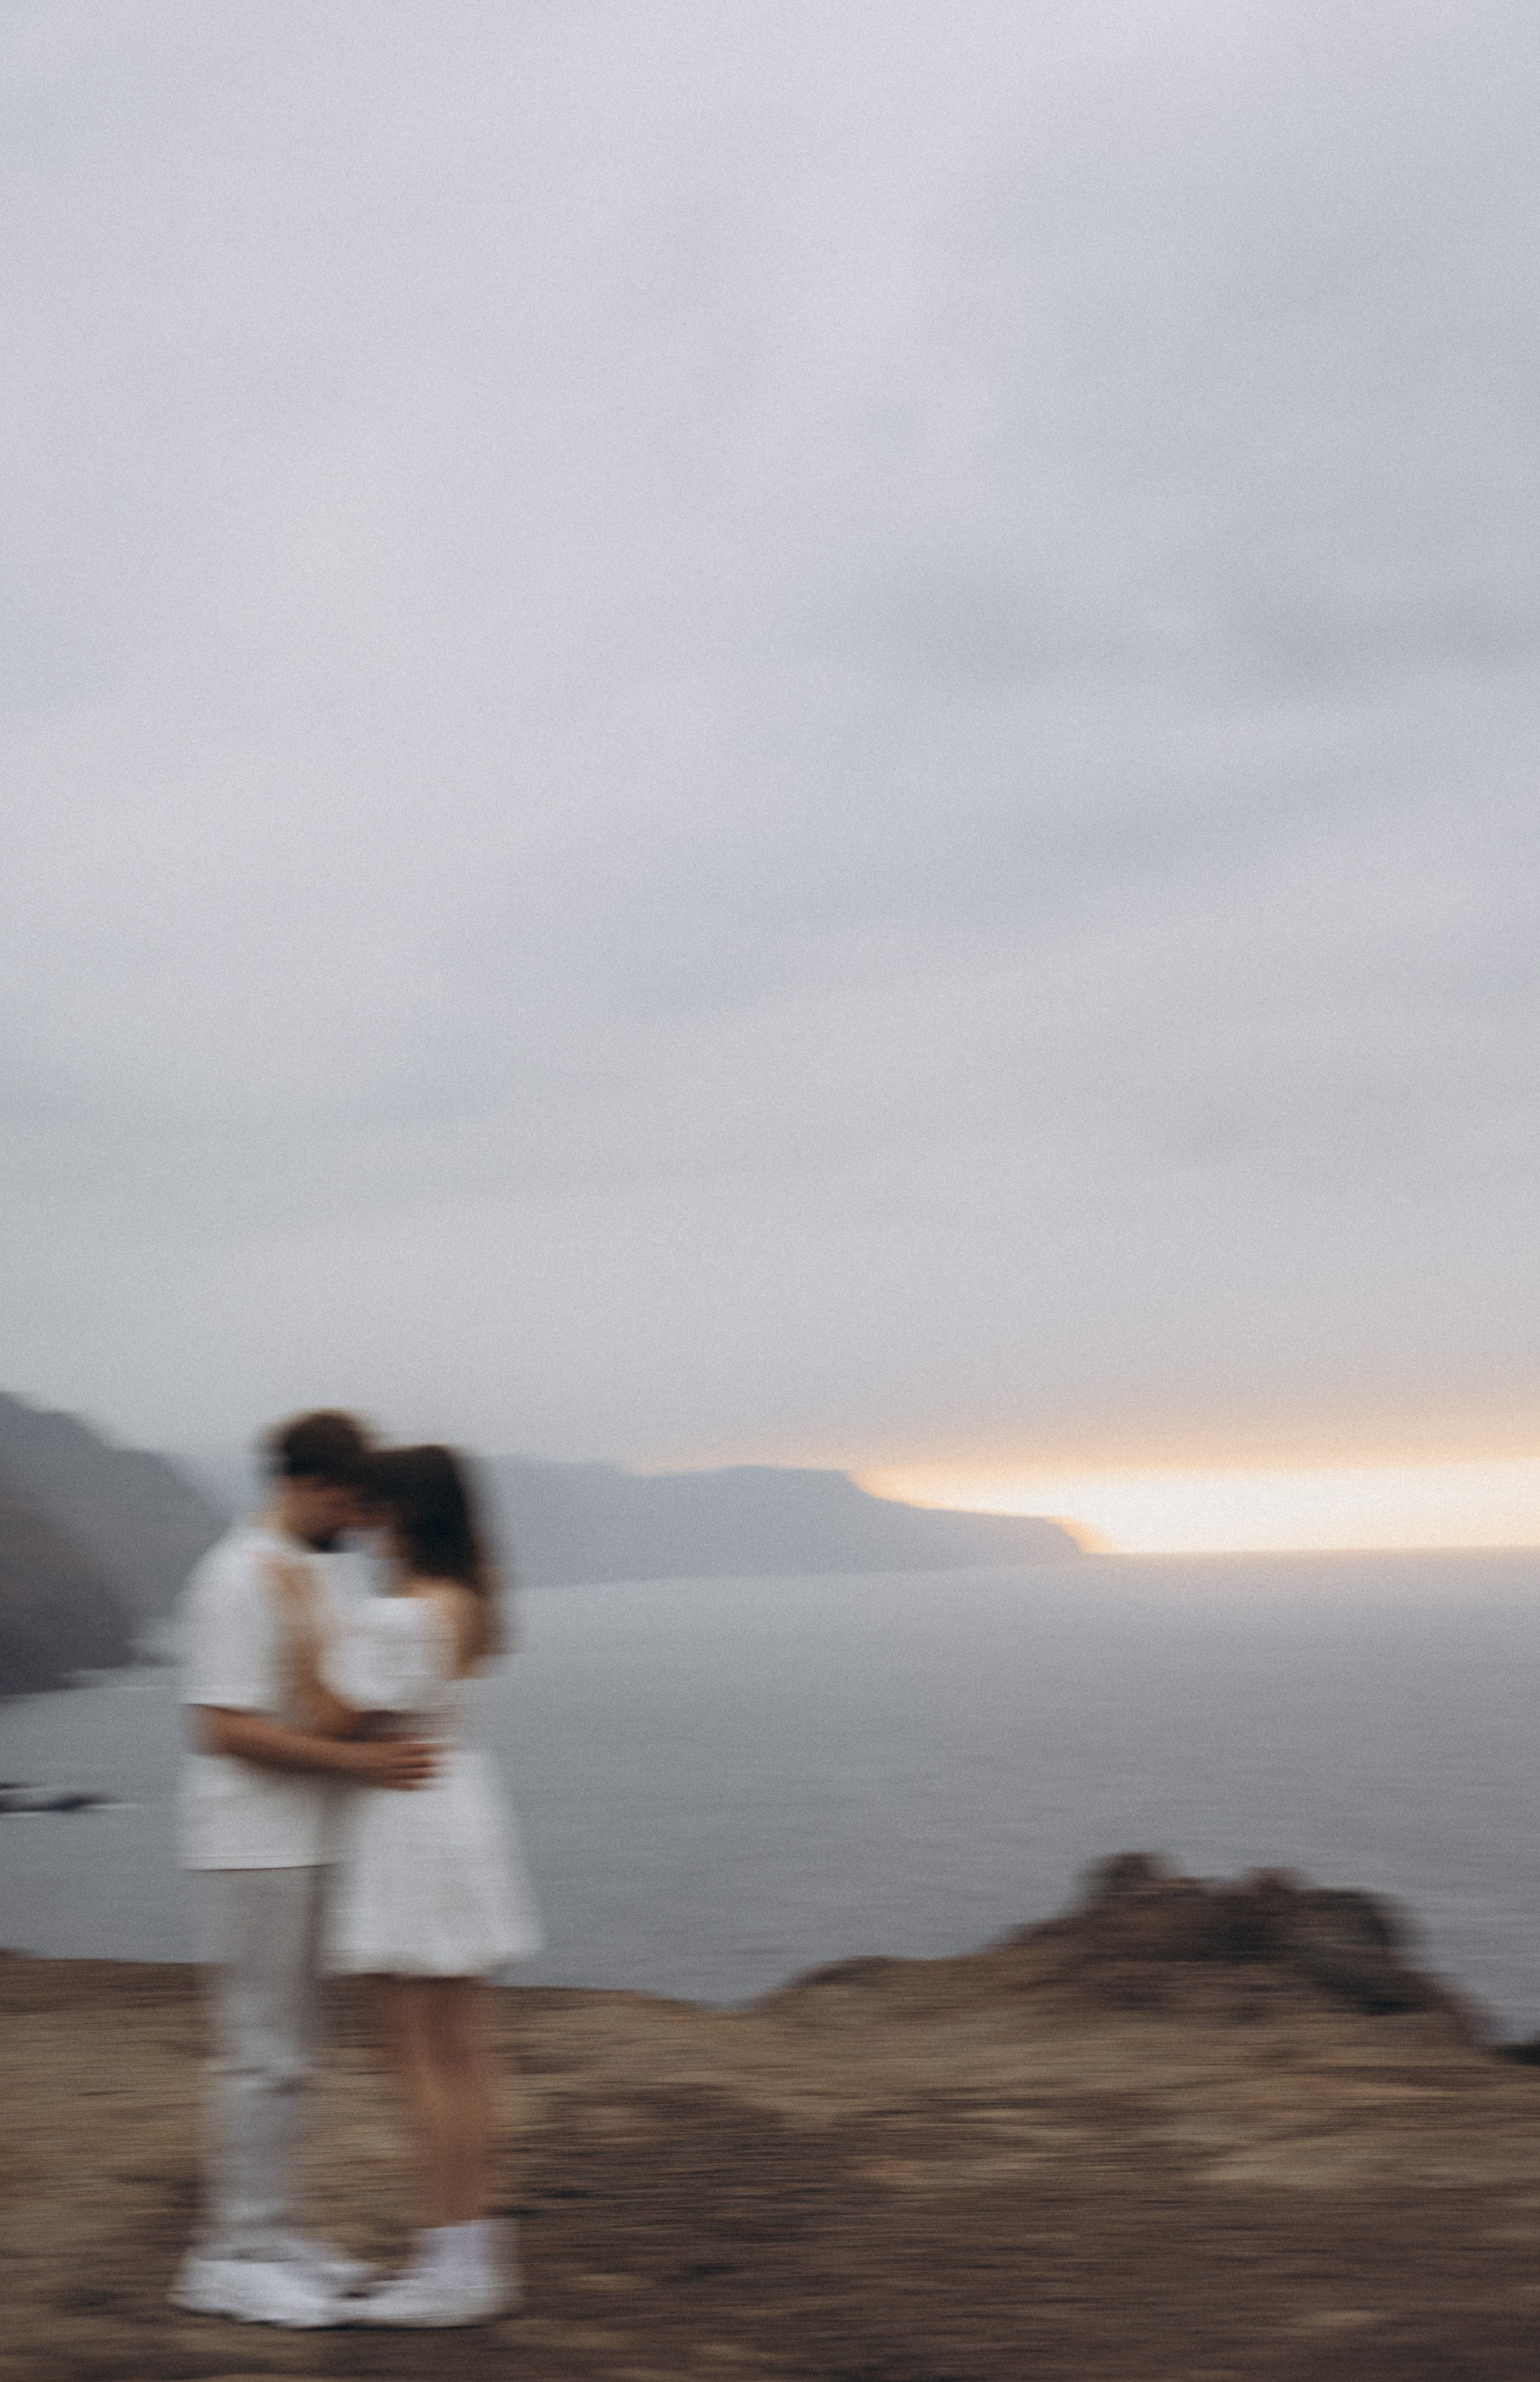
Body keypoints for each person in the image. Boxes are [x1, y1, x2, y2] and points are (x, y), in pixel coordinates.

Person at [171, 1411, 439, 2330]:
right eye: (351, 1504)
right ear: (306, 1485)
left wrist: (383, 1728)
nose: (362, 1524)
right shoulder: (233, 1576)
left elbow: (329, 1700)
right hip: (253, 1843)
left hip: (314, 1837)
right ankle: (225, 2258)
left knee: (293, 2053)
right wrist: (363, 1764)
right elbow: (221, 1728)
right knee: (260, 2052)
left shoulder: (320, 1569)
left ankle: (271, 2231)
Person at [280, 1442, 543, 2327]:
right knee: (464, 2052)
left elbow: (327, 1714)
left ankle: (448, 2264)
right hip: (456, 1801)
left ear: (404, 1515)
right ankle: (471, 2255)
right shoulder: (470, 1598)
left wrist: (303, 1618)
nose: (363, 1525)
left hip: (407, 1822)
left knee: (415, 2053)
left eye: (377, 1508)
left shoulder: (401, 1614)